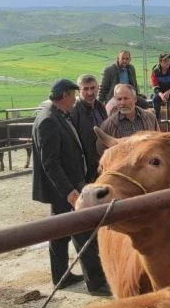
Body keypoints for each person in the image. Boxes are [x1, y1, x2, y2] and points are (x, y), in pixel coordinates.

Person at [31, 78, 110, 296]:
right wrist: (69, 192)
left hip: (63, 187)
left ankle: (61, 276)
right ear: (65, 95)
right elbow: (51, 163)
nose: (75, 99)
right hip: (64, 189)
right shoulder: (48, 120)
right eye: (74, 95)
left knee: (59, 231)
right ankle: (96, 283)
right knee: (82, 231)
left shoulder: (54, 115)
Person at [69, 74, 108, 183]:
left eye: (93, 88)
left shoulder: (100, 107)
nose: (90, 93)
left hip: (102, 163)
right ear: (78, 91)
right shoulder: (73, 111)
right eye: (85, 89)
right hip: (84, 168)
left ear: (98, 88)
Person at [151, 53, 170, 120]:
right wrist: (161, 95)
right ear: (160, 62)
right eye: (165, 61)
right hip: (160, 91)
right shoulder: (155, 71)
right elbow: (155, 86)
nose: (167, 62)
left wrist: (168, 92)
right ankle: (157, 118)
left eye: (168, 60)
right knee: (155, 99)